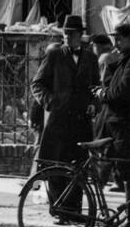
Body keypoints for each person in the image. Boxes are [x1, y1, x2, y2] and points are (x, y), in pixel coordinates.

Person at [30, 14, 99, 213]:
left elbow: (96, 87)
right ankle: (58, 209)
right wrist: (51, 102)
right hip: (59, 123)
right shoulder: (55, 55)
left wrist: (95, 104)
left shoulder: (91, 58)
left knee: (78, 169)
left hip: (81, 123)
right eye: (65, 34)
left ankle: (74, 211)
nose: (68, 37)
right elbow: (37, 84)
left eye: (72, 34)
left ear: (80, 35)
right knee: (56, 167)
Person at [92, 23, 130, 207]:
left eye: (119, 39)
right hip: (120, 125)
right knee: (124, 169)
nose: (115, 43)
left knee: (128, 172)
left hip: (128, 125)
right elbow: (115, 85)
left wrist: (103, 94)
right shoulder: (127, 59)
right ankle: (129, 214)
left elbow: (122, 92)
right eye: (115, 39)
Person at [89, 33, 121, 187]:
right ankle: (119, 180)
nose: (92, 49)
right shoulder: (116, 56)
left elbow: (101, 83)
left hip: (105, 106)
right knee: (114, 144)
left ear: (99, 46)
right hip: (117, 106)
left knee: (100, 143)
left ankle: (99, 180)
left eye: (93, 45)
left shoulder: (104, 59)